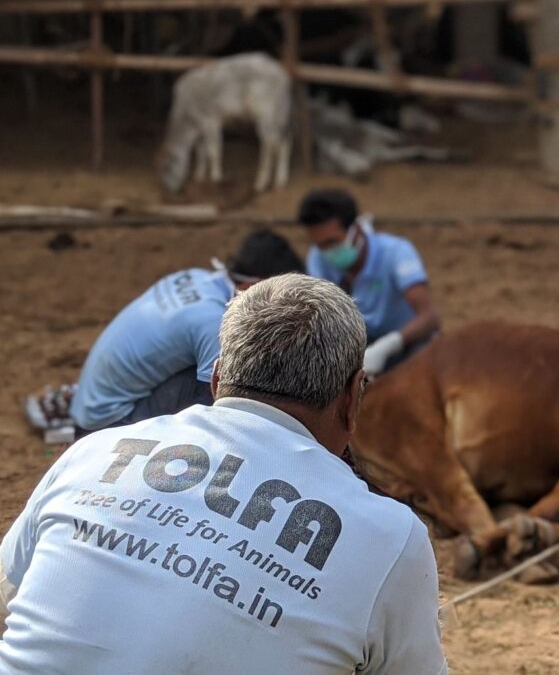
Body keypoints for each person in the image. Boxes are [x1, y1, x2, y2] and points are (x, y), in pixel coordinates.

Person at [0, 274, 447, 674]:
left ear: (216, 377)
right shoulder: (392, 539)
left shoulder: (93, 451)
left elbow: (7, 599)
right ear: (353, 399)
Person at [67, 229, 303, 437]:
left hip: (89, 409)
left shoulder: (196, 277)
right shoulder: (214, 321)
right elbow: (216, 410)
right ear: (253, 287)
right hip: (106, 427)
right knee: (228, 378)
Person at [298, 188, 440, 376]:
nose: (327, 252)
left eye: (333, 242)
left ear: (355, 230)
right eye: (320, 245)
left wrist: (388, 346)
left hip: (407, 342)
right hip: (357, 347)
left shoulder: (396, 252)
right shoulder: (318, 258)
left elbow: (429, 317)